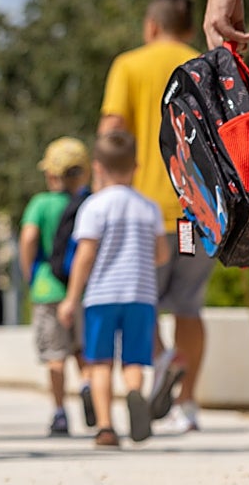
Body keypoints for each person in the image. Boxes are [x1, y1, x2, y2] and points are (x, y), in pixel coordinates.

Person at [99, 0, 207, 433]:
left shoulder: (129, 64)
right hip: (193, 215)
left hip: (140, 217)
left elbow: (111, 132)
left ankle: (162, 358)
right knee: (189, 306)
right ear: (187, 28)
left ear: (151, 26)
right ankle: (189, 403)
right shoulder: (205, 64)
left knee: (142, 304)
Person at [58, 131, 169, 448]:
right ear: (136, 166)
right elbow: (161, 255)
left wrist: (70, 299)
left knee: (100, 361)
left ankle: (106, 427)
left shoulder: (94, 206)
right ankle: (135, 391)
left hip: (102, 296)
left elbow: (84, 256)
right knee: (135, 358)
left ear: (98, 167)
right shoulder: (148, 207)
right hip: (141, 295)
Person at [18, 137, 92, 437]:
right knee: (82, 351)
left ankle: (60, 413)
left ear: (50, 174)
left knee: (55, 356)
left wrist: (30, 276)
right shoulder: (88, 204)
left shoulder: (41, 203)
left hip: (49, 288)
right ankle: (88, 387)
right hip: (83, 289)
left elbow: (28, 239)